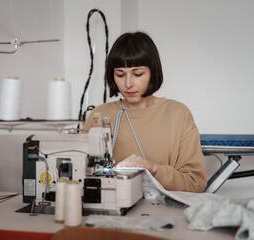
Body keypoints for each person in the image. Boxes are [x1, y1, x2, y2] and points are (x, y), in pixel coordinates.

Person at [82, 31, 207, 193]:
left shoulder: (178, 114)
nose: (128, 84)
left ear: (153, 72)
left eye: (137, 74)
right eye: (120, 74)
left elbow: (195, 183)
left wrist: (154, 169)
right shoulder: (99, 115)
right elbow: (80, 172)